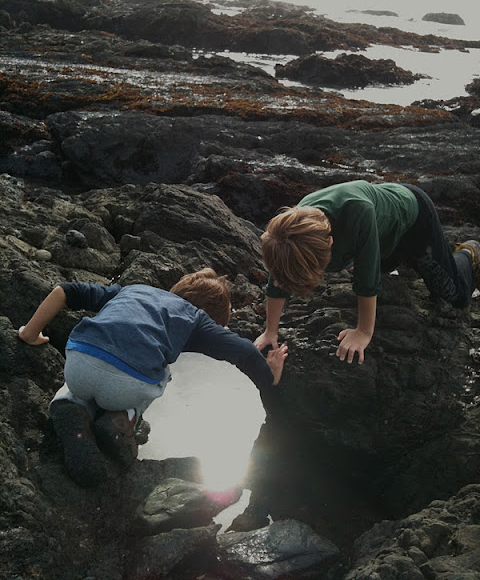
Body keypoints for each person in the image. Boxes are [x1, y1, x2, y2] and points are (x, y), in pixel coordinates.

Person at [18, 269, 288, 487]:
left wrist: (30, 333)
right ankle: (124, 418)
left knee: (88, 373)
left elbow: (65, 291)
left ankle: (69, 403)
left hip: (80, 363)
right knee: (162, 371)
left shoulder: (132, 289)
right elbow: (245, 352)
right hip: (127, 386)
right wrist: (271, 378)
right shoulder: (196, 319)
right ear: (214, 318)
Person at [254, 180, 480, 365]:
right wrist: (270, 331)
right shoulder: (289, 231)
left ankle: (468, 253)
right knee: (390, 267)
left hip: (413, 219)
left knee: (453, 294)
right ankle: (409, 262)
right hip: (382, 235)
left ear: (331, 242)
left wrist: (363, 332)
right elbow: (279, 276)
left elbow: (367, 281)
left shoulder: (358, 213)